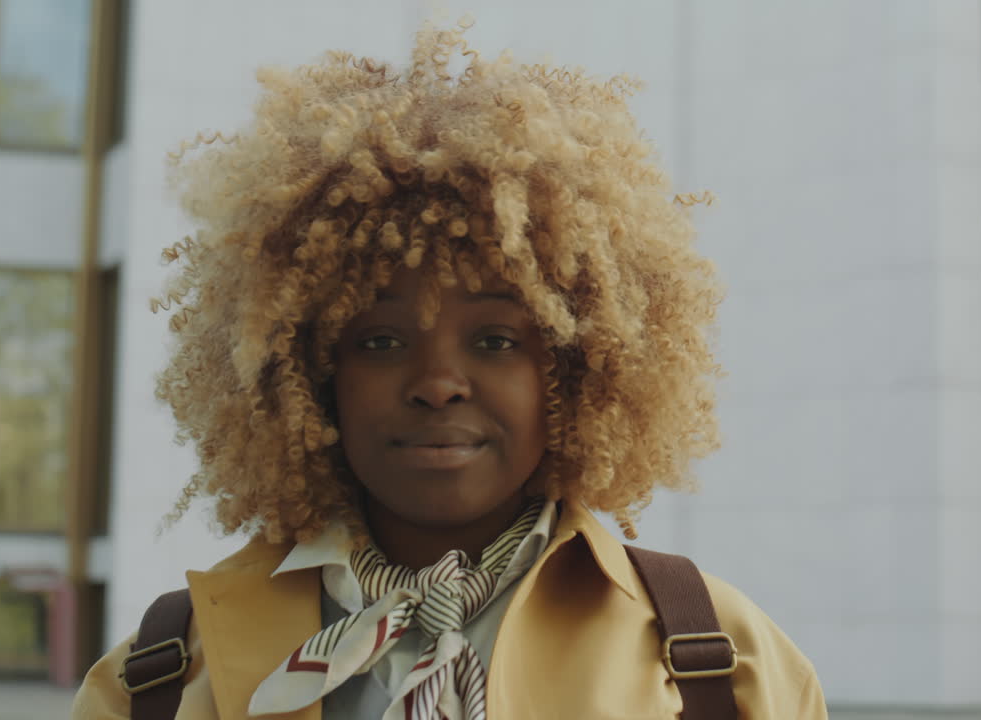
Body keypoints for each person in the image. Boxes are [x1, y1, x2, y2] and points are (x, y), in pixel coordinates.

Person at [72, 20, 827, 720]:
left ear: (578, 370)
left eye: (497, 340)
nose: (437, 383)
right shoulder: (157, 679)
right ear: (302, 373)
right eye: (377, 341)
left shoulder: (722, 664)